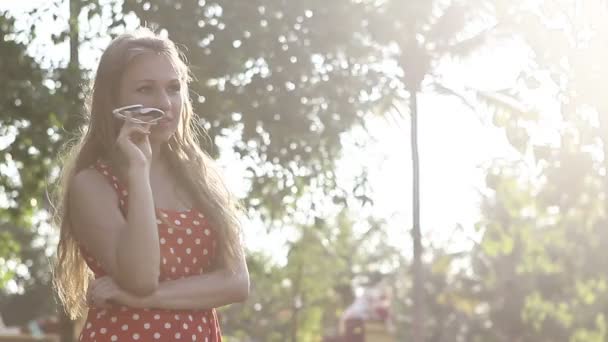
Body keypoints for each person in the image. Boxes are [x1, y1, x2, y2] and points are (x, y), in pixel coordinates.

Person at [51, 28, 249, 342]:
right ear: (113, 100)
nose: (164, 103)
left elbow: (237, 283)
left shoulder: (202, 178)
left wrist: (145, 299)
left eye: (173, 88)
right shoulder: (93, 184)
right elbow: (141, 278)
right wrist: (138, 171)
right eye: (145, 89)